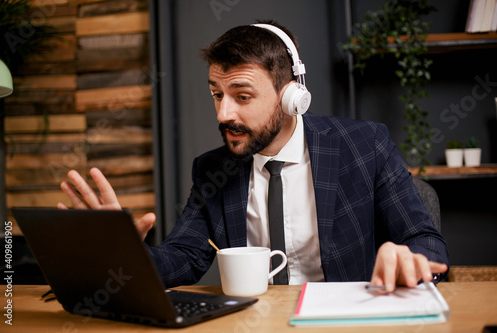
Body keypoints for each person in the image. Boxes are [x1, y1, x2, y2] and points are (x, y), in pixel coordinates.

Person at [58, 21, 449, 292]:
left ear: (292, 96)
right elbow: (183, 257)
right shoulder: (213, 169)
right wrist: (126, 252)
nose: (224, 114)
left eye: (242, 96)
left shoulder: (365, 145)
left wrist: (406, 258)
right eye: (216, 94)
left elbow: (426, 242)